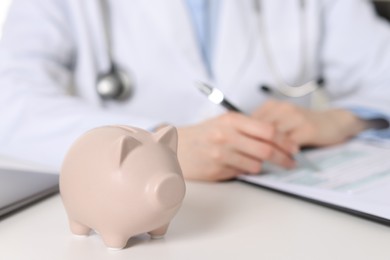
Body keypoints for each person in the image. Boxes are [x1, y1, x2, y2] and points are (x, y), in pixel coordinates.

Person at [0, 0, 389, 181]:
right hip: (138, 209)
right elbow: (9, 100)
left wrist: (344, 117)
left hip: (283, 195)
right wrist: (155, 145)